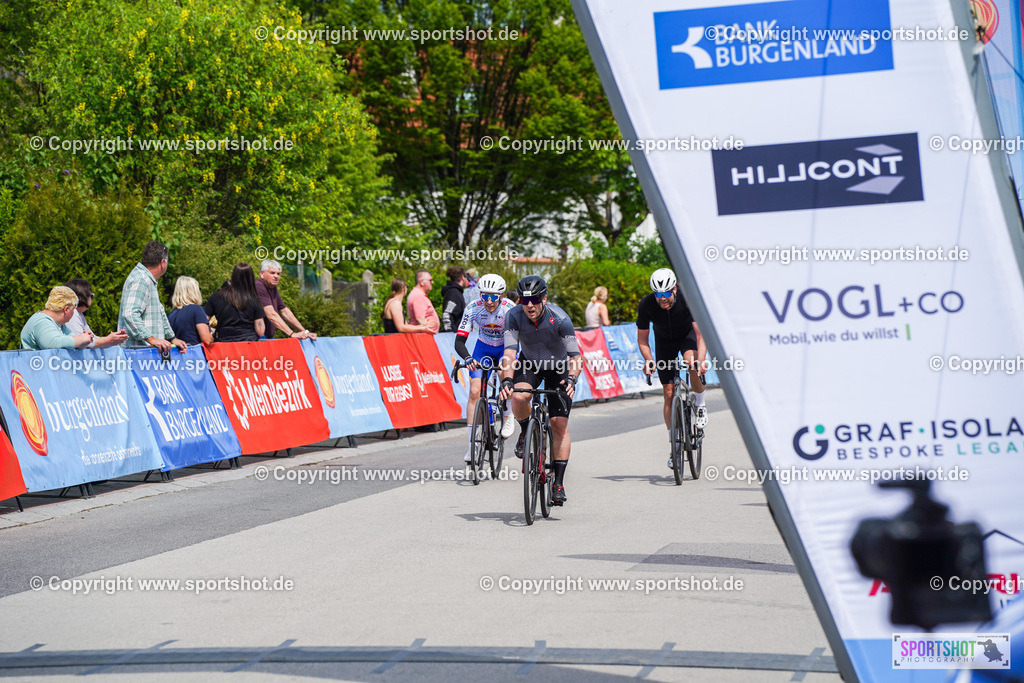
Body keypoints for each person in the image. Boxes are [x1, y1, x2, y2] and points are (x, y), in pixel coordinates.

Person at [498, 275, 583, 506]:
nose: (529, 305)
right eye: (524, 300)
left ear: (543, 298)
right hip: (530, 364)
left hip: (559, 367)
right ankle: (526, 430)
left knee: (559, 424)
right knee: (518, 396)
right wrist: (507, 379)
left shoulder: (560, 319)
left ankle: (558, 483)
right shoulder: (513, 316)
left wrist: (572, 379)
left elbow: (576, 357)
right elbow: (509, 352)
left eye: (534, 300)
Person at [636, 268, 708, 470]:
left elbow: (701, 334)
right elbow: (642, 339)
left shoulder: (688, 298)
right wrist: (649, 360)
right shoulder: (647, 304)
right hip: (664, 341)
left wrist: (701, 361)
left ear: (674, 289)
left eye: (666, 293)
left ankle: (700, 404)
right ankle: (674, 444)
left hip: (687, 336)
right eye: (658, 294)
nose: (662, 298)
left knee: (691, 363)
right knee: (668, 393)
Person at [454, 274, 517, 462]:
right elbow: (459, 341)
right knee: (474, 392)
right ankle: (471, 445)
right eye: (485, 296)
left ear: (501, 296)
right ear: (480, 294)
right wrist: (467, 358)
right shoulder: (473, 308)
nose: (489, 301)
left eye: (493, 297)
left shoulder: (509, 309)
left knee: (504, 373)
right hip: (483, 348)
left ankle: (508, 416)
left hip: (505, 347)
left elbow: (515, 340)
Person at [118, 241, 187, 353]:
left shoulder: (148, 279)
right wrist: (152, 339)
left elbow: (159, 312)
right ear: (163, 262)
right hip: (138, 353)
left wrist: (172, 338)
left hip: (146, 353)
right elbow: (130, 313)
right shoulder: (141, 279)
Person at [255, 259, 316, 340]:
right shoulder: (258, 286)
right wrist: (292, 334)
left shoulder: (272, 288)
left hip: (267, 338)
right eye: (272, 273)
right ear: (262, 274)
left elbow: (285, 312)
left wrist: (305, 332)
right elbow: (271, 314)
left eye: (278, 274)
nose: (276, 276)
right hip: (256, 339)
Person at [203, 263, 266, 342]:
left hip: (224, 342)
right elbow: (260, 331)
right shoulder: (253, 298)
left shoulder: (217, 295)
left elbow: (204, 319)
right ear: (251, 278)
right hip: (248, 342)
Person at [21, 286, 95, 350]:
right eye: (73, 309)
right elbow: (52, 343)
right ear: (66, 309)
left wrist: (84, 341)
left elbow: (72, 341)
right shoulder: (42, 321)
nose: (74, 312)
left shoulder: (59, 324)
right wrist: (80, 339)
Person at [64, 278, 128, 348]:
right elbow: (81, 342)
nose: (92, 299)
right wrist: (108, 340)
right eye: (91, 295)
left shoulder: (79, 314)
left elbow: (92, 338)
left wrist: (111, 339)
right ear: (83, 296)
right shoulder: (72, 314)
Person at [168, 276, 214, 345]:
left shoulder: (172, 314)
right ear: (194, 291)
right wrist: (211, 334)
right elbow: (207, 340)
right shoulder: (196, 309)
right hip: (193, 349)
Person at [440, 265, 468, 333]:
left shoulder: (456, 292)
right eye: (466, 277)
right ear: (462, 277)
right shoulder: (454, 294)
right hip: (453, 336)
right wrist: (450, 335)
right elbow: (447, 316)